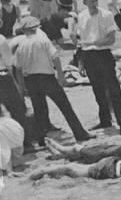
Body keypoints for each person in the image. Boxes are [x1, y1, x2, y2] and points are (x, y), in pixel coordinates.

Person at [12, 15, 90, 149]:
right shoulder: (43, 40)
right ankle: (79, 133)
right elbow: (55, 58)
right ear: (36, 27)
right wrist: (61, 75)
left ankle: (42, 140)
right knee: (65, 106)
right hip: (47, 78)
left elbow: (18, 68)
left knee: (39, 110)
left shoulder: (21, 45)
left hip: (30, 80)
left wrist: (21, 86)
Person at [74, 0, 121, 134]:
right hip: (88, 56)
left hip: (103, 55)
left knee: (113, 89)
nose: (94, 4)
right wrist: (80, 61)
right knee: (97, 90)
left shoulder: (106, 15)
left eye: (96, 0)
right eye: (91, 1)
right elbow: (81, 41)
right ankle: (105, 120)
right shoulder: (82, 16)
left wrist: (95, 43)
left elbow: (111, 38)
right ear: (84, 2)